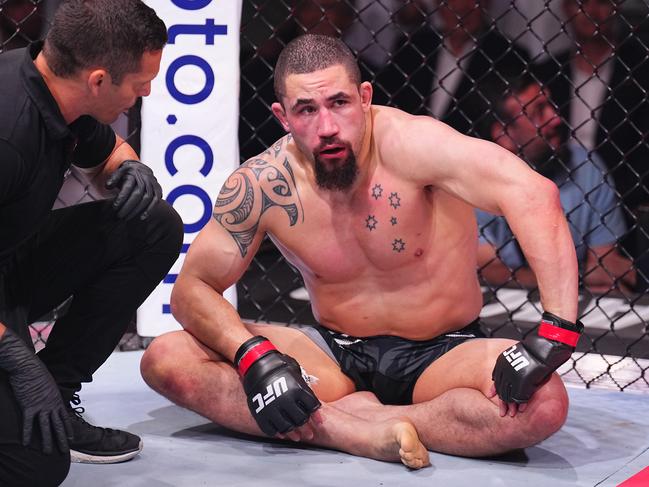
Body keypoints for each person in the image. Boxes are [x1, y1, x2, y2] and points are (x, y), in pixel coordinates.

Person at [141, 34, 581, 469]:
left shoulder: (415, 146)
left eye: (339, 103)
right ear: (282, 116)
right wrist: (253, 355)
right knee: (166, 359)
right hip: (334, 357)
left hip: (445, 354)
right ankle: (357, 432)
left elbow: (533, 194)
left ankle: (354, 424)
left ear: (364, 97)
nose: (327, 126)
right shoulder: (263, 184)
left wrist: (555, 334)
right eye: (307, 110)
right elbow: (192, 289)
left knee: (543, 405)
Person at [0, 0, 183, 484]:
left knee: (154, 225)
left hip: (9, 264)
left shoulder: (57, 91)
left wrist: (128, 166)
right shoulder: (8, 134)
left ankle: (57, 389)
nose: (145, 93)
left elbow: (108, 149)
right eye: (140, 83)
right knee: (32, 464)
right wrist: (13, 356)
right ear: (99, 80)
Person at [476, 74, 635, 294]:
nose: (555, 118)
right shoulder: (476, 176)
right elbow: (488, 269)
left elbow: (603, 263)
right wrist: (575, 279)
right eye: (539, 112)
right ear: (504, 134)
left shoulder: (585, 166)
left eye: (550, 104)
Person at [533, 0, 649, 239]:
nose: (592, 11)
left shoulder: (641, 72)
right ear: (566, 8)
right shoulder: (548, 73)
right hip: (552, 192)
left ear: (617, 6)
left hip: (625, 204)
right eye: (581, 2)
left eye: (603, 2)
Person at [374, 0, 529, 139]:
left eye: (472, 1)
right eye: (453, 1)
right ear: (438, 5)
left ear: (486, 4)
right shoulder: (412, 47)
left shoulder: (508, 56)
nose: (462, 7)